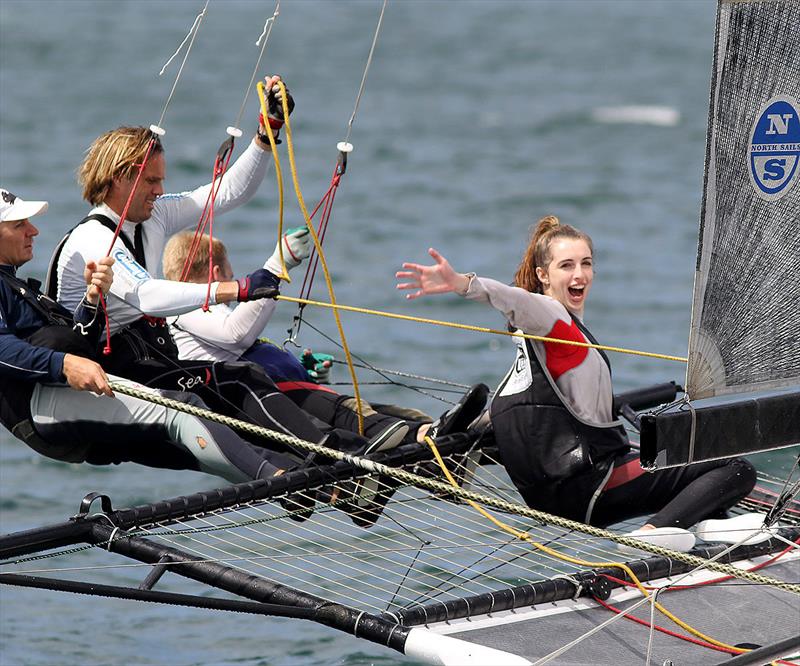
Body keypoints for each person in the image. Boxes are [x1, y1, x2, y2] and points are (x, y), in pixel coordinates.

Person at [47, 77, 404, 464]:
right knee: (237, 380)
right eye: (151, 180)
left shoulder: (153, 215)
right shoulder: (92, 239)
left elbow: (226, 192)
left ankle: (338, 464)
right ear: (121, 178)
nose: (159, 189)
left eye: (161, 179)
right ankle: (341, 455)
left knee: (240, 378)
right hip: (97, 379)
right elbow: (147, 294)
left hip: (143, 360)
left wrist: (267, 133)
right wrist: (235, 288)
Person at [396, 215, 757, 552]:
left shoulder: (535, 349)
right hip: (591, 483)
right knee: (734, 468)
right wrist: (463, 284)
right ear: (543, 275)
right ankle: (650, 537)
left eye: (585, 263)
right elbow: (515, 300)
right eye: (566, 266)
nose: (579, 274)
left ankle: (705, 528)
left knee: (694, 478)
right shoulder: (554, 320)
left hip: (568, 488)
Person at [0, 188, 296, 485]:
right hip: (41, 403)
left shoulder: (15, 283)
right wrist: (64, 365)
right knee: (182, 411)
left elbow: (75, 341)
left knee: (179, 443)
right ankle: (281, 483)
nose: (33, 230)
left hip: (60, 397)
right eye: (19, 225)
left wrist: (92, 302)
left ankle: (299, 480)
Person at [160, 229, 487, 446]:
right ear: (217, 275)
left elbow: (237, 344)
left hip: (285, 391)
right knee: (363, 419)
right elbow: (236, 336)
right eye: (230, 277)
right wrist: (276, 265)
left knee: (403, 416)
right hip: (263, 404)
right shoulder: (189, 305)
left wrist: (304, 371)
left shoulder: (199, 314)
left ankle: (441, 443)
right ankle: (434, 439)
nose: (234, 291)